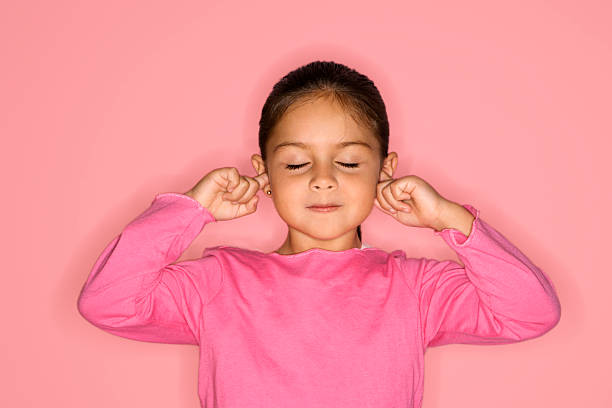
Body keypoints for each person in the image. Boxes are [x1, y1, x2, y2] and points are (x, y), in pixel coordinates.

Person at [77, 60, 561, 407]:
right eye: (295, 162)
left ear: (385, 170)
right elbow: (108, 302)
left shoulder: (416, 289)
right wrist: (192, 209)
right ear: (263, 170)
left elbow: (530, 312)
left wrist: (448, 219)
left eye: (349, 161)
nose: (322, 178)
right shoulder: (219, 283)